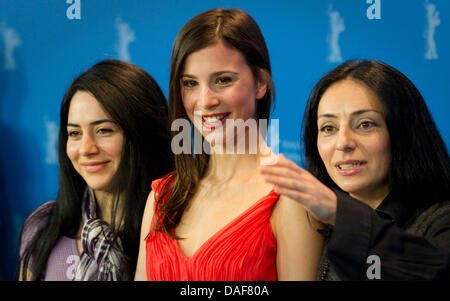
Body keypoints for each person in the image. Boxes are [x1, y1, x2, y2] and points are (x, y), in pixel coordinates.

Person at [134, 8, 324, 281]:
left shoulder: (291, 196)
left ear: (260, 83)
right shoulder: (162, 197)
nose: (205, 100)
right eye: (190, 83)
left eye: (223, 80)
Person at [261, 59, 450, 280]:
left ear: (403, 132)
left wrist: (341, 213)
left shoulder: (440, 221)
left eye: (365, 124)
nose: (343, 143)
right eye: (328, 128)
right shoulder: (319, 229)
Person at [19, 59, 174, 281]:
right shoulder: (44, 226)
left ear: (141, 133)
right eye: (74, 133)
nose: (86, 148)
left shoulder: (176, 232)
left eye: (103, 130)